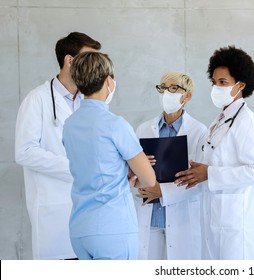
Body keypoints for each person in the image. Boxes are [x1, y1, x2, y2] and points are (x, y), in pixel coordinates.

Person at [174, 46, 254, 260]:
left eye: (223, 82)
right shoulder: (220, 120)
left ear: (241, 85)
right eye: (214, 82)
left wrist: (210, 173)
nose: (216, 87)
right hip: (214, 219)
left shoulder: (247, 122)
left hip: (235, 225)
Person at [62, 52, 158, 260]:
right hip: (112, 229)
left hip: (79, 230)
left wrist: (122, 173)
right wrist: (134, 173)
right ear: (108, 81)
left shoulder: (69, 125)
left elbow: (93, 166)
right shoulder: (115, 124)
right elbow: (149, 180)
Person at [15, 32, 101, 260]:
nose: (94, 66)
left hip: (90, 211)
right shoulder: (38, 99)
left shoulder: (90, 100)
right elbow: (24, 152)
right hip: (54, 211)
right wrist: (74, 167)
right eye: (88, 59)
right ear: (69, 60)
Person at [134, 71, 207, 260]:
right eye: (163, 88)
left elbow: (199, 180)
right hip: (149, 218)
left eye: (173, 88)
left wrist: (162, 191)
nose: (167, 93)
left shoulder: (199, 131)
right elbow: (132, 174)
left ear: (187, 96)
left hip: (182, 217)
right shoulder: (143, 129)